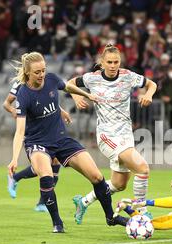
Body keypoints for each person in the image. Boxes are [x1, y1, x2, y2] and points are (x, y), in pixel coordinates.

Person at [7, 51, 126, 233]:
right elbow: (20, 130)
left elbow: (67, 87)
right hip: (37, 143)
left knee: (97, 176)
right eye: (37, 72)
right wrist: (14, 158)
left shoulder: (52, 79)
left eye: (43, 70)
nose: (41, 75)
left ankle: (111, 217)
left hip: (61, 139)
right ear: (28, 72)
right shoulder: (23, 94)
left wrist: (87, 95)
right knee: (46, 177)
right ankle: (57, 223)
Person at [67, 44, 157, 225]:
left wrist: (149, 94)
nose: (113, 65)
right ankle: (142, 211)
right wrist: (77, 96)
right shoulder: (91, 79)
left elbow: (151, 84)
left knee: (119, 184)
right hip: (107, 136)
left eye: (116, 61)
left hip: (126, 135)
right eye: (109, 62)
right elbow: (69, 84)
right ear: (101, 63)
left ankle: (83, 202)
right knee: (143, 168)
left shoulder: (127, 76)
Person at [3, 81, 73, 212]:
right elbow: (6, 103)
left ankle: (41, 202)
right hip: (33, 130)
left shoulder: (42, 82)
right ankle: (16, 179)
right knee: (42, 166)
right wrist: (14, 110)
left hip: (48, 127)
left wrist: (61, 111)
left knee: (54, 162)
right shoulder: (19, 85)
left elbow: (47, 100)